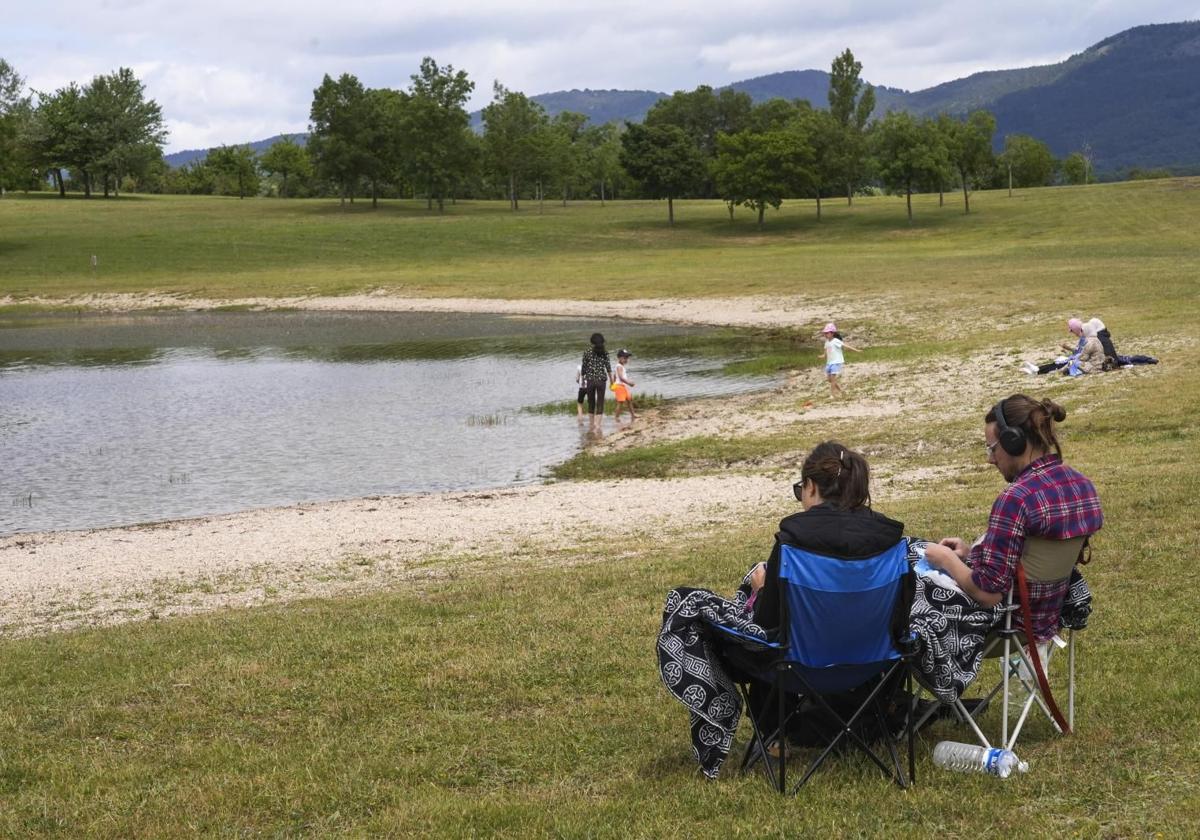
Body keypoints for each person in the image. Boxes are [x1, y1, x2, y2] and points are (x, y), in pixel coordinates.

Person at [731, 441, 912, 736]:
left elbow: (766, 626)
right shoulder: (890, 539)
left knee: (736, 631)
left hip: (798, 669)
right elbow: (900, 618)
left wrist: (762, 590)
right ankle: (868, 716)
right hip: (874, 664)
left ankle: (774, 734)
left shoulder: (793, 540)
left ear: (811, 486)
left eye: (800, 490)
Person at [923, 395, 1103, 643]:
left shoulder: (1017, 498)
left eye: (992, 448)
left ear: (1013, 442)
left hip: (1007, 625)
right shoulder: (1083, 485)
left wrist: (946, 560)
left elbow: (987, 593)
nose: (990, 459)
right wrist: (971, 554)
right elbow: (1028, 558)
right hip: (1052, 617)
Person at [579, 332, 614, 432]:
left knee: (591, 402)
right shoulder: (605, 352)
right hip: (601, 381)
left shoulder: (587, 352)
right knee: (600, 402)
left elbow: (583, 368)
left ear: (592, 342)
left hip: (590, 380)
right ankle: (597, 425)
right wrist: (612, 381)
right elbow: (608, 369)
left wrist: (582, 381)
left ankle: (591, 424)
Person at [820, 322, 861, 398]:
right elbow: (826, 352)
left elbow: (845, 346)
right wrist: (823, 356)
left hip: (836, 362)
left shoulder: (836, 341)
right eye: (825, 333)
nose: (825, 334)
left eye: (827, 333)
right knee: (829, 379)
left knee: (833, 379)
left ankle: (832, 395)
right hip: (829, 363)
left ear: (832, 333)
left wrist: (856, 350)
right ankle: (841, 391)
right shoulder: (826, 342)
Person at [612, 349, 636, 422]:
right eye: (624, 358)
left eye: (627, 358)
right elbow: (620, 377)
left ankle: (633, 415)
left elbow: (614, 375)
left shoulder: (621, 366)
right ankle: (616, 417)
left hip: (622, 386)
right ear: (619, 358)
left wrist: (613, 383)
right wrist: (629, 383)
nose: (626, 359)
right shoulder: (619, 366)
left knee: (629, 400)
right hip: (620, 386)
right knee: (620, 403)